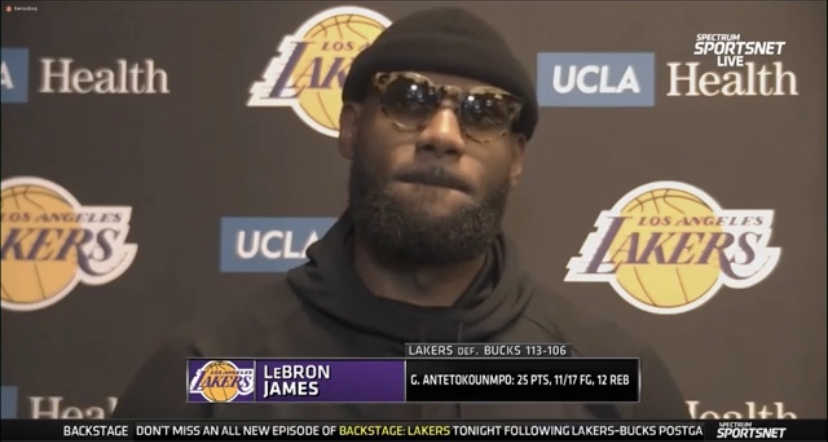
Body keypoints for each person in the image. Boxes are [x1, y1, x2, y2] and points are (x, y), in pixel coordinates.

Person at [114, 7, 687, 420]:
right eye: (409, 99)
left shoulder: (614, 382)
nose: (443, 135)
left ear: (516, 159)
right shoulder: (211, 376)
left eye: (484, 113)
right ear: (351, 127)